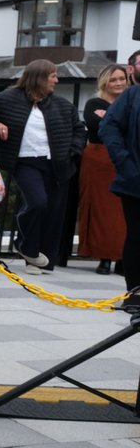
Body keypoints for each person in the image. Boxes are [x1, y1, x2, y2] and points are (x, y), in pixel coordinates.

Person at [0, 59, 87, 274]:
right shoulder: (6, 98)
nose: (56, 80)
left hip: (58, 164)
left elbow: (79, 130)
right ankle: (26, 246)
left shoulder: (62, 104)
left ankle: (39, 260)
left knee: (53, 213)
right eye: (53, 75)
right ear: (40, 77)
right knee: (38, 203)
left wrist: (73, 152)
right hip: (25, 162)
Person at [80, 64, 129, 273]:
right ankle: (104, 257)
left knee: (123, 212)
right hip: (99, 160)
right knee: (101, 209)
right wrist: (117, 120)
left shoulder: (131, 101)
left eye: (121, 79)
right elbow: (96, 127)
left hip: (126, 160)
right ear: (105, 82)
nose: (118, 83)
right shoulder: (94, 103)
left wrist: (108, 116)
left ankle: (122, 258)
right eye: (113, 79)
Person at [98, 71, 140, 305]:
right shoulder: (133, 95)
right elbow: (109, 127)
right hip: (135, 178)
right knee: (137, 235)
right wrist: (124, 162)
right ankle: (135, 292)